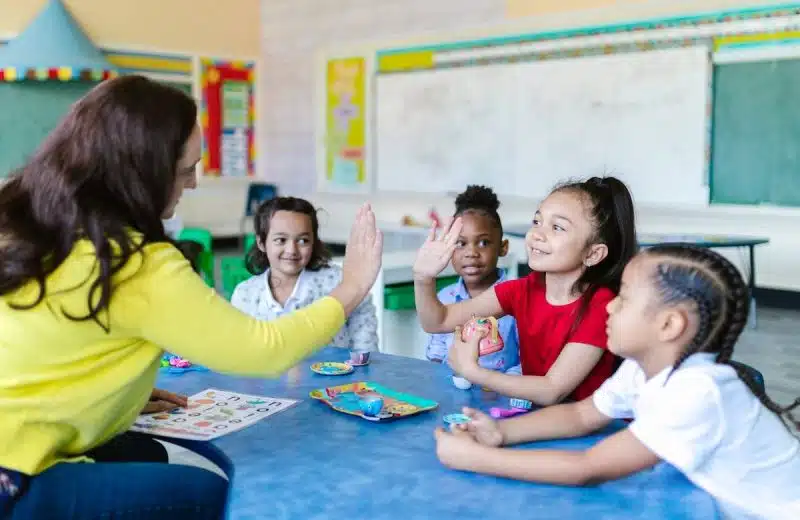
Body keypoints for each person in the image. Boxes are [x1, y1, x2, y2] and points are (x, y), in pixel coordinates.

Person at [0, 75, 383, 519]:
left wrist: (115, 395)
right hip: (14, 473)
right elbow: (264, 350)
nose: (195, 183)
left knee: (150, 455)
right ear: (141, 173)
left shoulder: (31, 223)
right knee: (204, 491)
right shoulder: (132, 261)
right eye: (185, 170)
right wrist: (352, 285)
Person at [434, 245, 800, 520]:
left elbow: (587, 468)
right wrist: (501, 433)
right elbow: (581, 415)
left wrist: (475, 459)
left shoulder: (697, 391)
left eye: (623, 299)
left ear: (669, 326)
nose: (609, 306)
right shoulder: (643, 369)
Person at [414, 177, 636, 405]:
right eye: (537, 221)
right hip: (536, 418)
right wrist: (423, 278)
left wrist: (475, 372)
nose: (537, 234)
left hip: (586, 432)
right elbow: (438, 321)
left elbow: (552, 389)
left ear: (592, 254)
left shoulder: (601, 306)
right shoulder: (523, 289)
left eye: (557, 227)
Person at [231, 196, 378, 363]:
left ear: (314, 242)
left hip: (335, 381)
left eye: (303, 240)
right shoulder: (245, 294)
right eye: (281, 240)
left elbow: (363, 320)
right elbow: (240, 351)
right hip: (268, 384)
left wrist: (364, 367)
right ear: (262, 243)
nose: (291, 250)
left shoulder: (337, 281)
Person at [422, 186, 520, 386]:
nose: (471, 253)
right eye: (460, 243)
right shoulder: (444, 298)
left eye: (483, 243)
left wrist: (503, 386)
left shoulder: (519, 298)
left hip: (502, 395)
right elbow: (436, 354)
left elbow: (526, 361)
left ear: (503, 247)